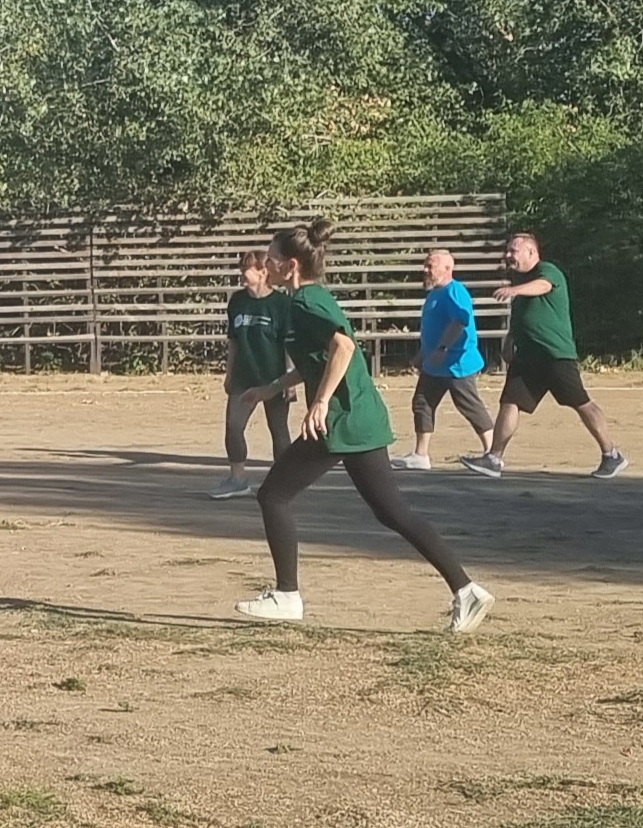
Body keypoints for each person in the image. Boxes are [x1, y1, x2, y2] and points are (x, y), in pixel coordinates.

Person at [234, 221, 493, 632]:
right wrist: (270, 389)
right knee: (391, 511)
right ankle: (466, 589)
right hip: (359, 417)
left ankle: (287, 596)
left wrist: (320, 402)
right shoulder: (306, 299)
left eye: (272, 258)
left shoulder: (306, 302)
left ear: (291, 265)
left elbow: (343, 347)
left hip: (341, 419)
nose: (267, 265)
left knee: (273, 496)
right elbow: (317, 361)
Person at [459, 232, 627, 479]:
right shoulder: (520, 282)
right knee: (510, 402)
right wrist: (509, 341)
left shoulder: (547, 271)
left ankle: (611, 454)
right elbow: (521, 320)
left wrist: (515, 290)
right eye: (508, 251)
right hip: (527, 358)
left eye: (513, 251)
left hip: (555, 355)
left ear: (531, 252)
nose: (508, 255)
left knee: (581, 403)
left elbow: (543, 286)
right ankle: (494, 458)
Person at [400, 247, 494, 471]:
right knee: (422, 403)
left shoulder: (455, 291)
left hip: (456, 363)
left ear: (447, 268)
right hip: (434, 364)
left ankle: (492, 453)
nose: (425, 270)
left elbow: (459, 321)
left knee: (469, 406)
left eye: (430, 266)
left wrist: (443, 349)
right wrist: (423, 355)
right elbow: (433, 329)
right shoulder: (434, 293)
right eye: (425, 265)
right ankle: (420, 455)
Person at [212, 249, 295, 497]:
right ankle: (238, 478)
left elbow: (289, 344)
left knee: (278, 429)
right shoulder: (237, 301)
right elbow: (233, 341)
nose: (242, 274)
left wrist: (289, 379)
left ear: (262, 272)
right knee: (233, 426)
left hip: (273, 378)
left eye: (246, 269)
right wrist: (229, 374)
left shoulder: (281, 304)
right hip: (243, 377)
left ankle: (285, 481)